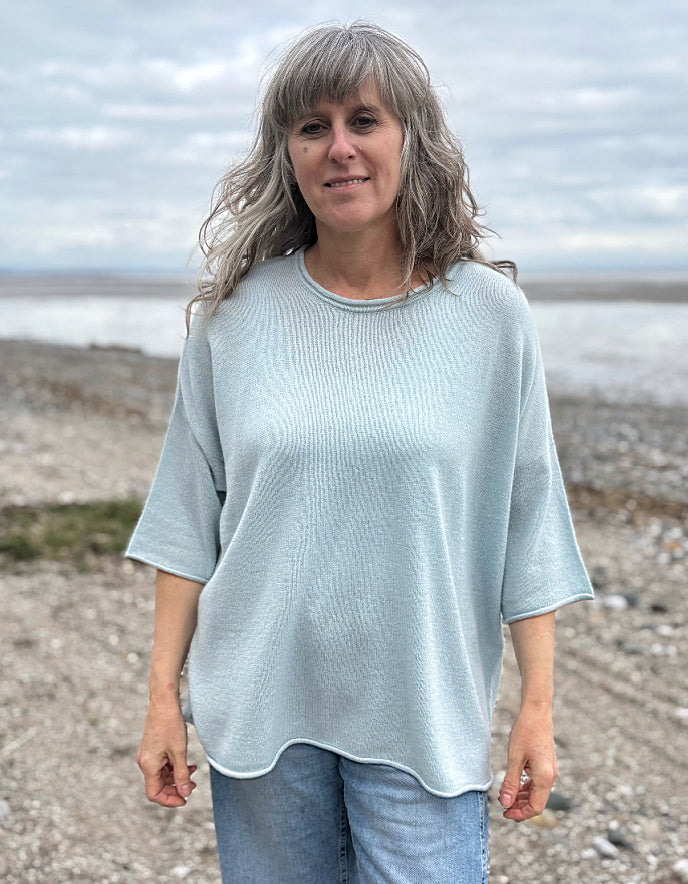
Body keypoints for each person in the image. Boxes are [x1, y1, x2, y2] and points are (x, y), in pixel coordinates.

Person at [126, 20, 595, 883]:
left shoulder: (489, 318)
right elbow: (187, 521)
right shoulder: (232, 318)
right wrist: (162, 700)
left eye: (364, 120)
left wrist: (536, 709)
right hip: (260, 715)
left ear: (412, 139)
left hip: (422, 715)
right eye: (313, 127)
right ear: (287, 155)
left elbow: (529, 521)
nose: (339, 148)